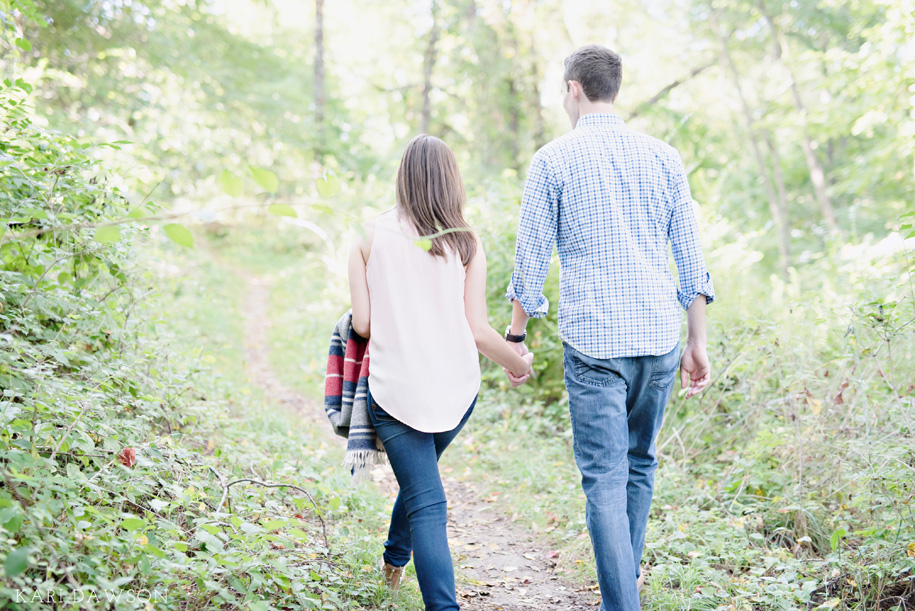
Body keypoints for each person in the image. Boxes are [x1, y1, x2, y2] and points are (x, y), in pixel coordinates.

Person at [503, 44, 715, 610]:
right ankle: (622, 596)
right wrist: (697, 340)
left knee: (604, 478)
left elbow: (530, 259)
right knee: (639, 464)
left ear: (574, 87)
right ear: (612, 88)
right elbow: (690, 259)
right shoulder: (664, 157)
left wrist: (516, 337)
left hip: (596, 343)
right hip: (657, 337)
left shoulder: (553, 159)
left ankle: (622, 604)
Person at [347, 134, 534, 611]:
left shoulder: (366, 235)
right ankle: (404, 570)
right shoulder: (466, 242)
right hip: (455, 392)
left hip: (394, 391)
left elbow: (363, 324)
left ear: (403, 177)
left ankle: (398, 564)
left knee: (422, 492)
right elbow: (477, 330)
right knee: (425, 491)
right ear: (452, 180)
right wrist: (517, 362)